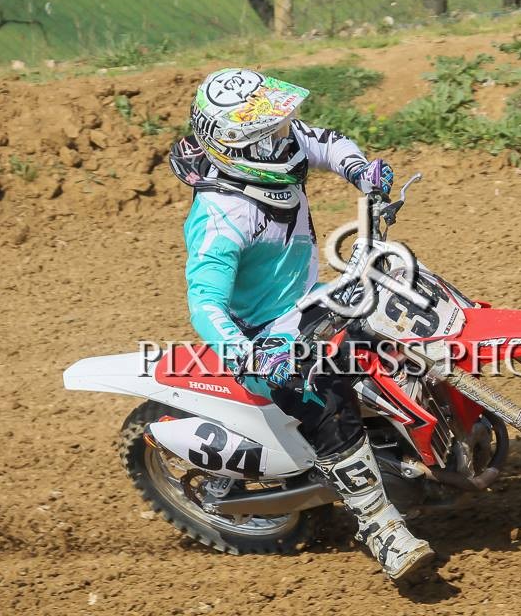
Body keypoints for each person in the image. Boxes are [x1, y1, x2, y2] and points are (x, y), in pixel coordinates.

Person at [168, 68, 434, 580]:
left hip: (311, 295)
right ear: (237, 147)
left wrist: (361, 171)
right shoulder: (220, 216)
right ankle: (381, 527)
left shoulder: (275, 146)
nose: (284, 138)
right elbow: (204, 302)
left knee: (407, 300)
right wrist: (249, 355)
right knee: (324, 396)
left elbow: (326, 142)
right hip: (262, 336)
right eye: (269, 134)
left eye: (281, 126)